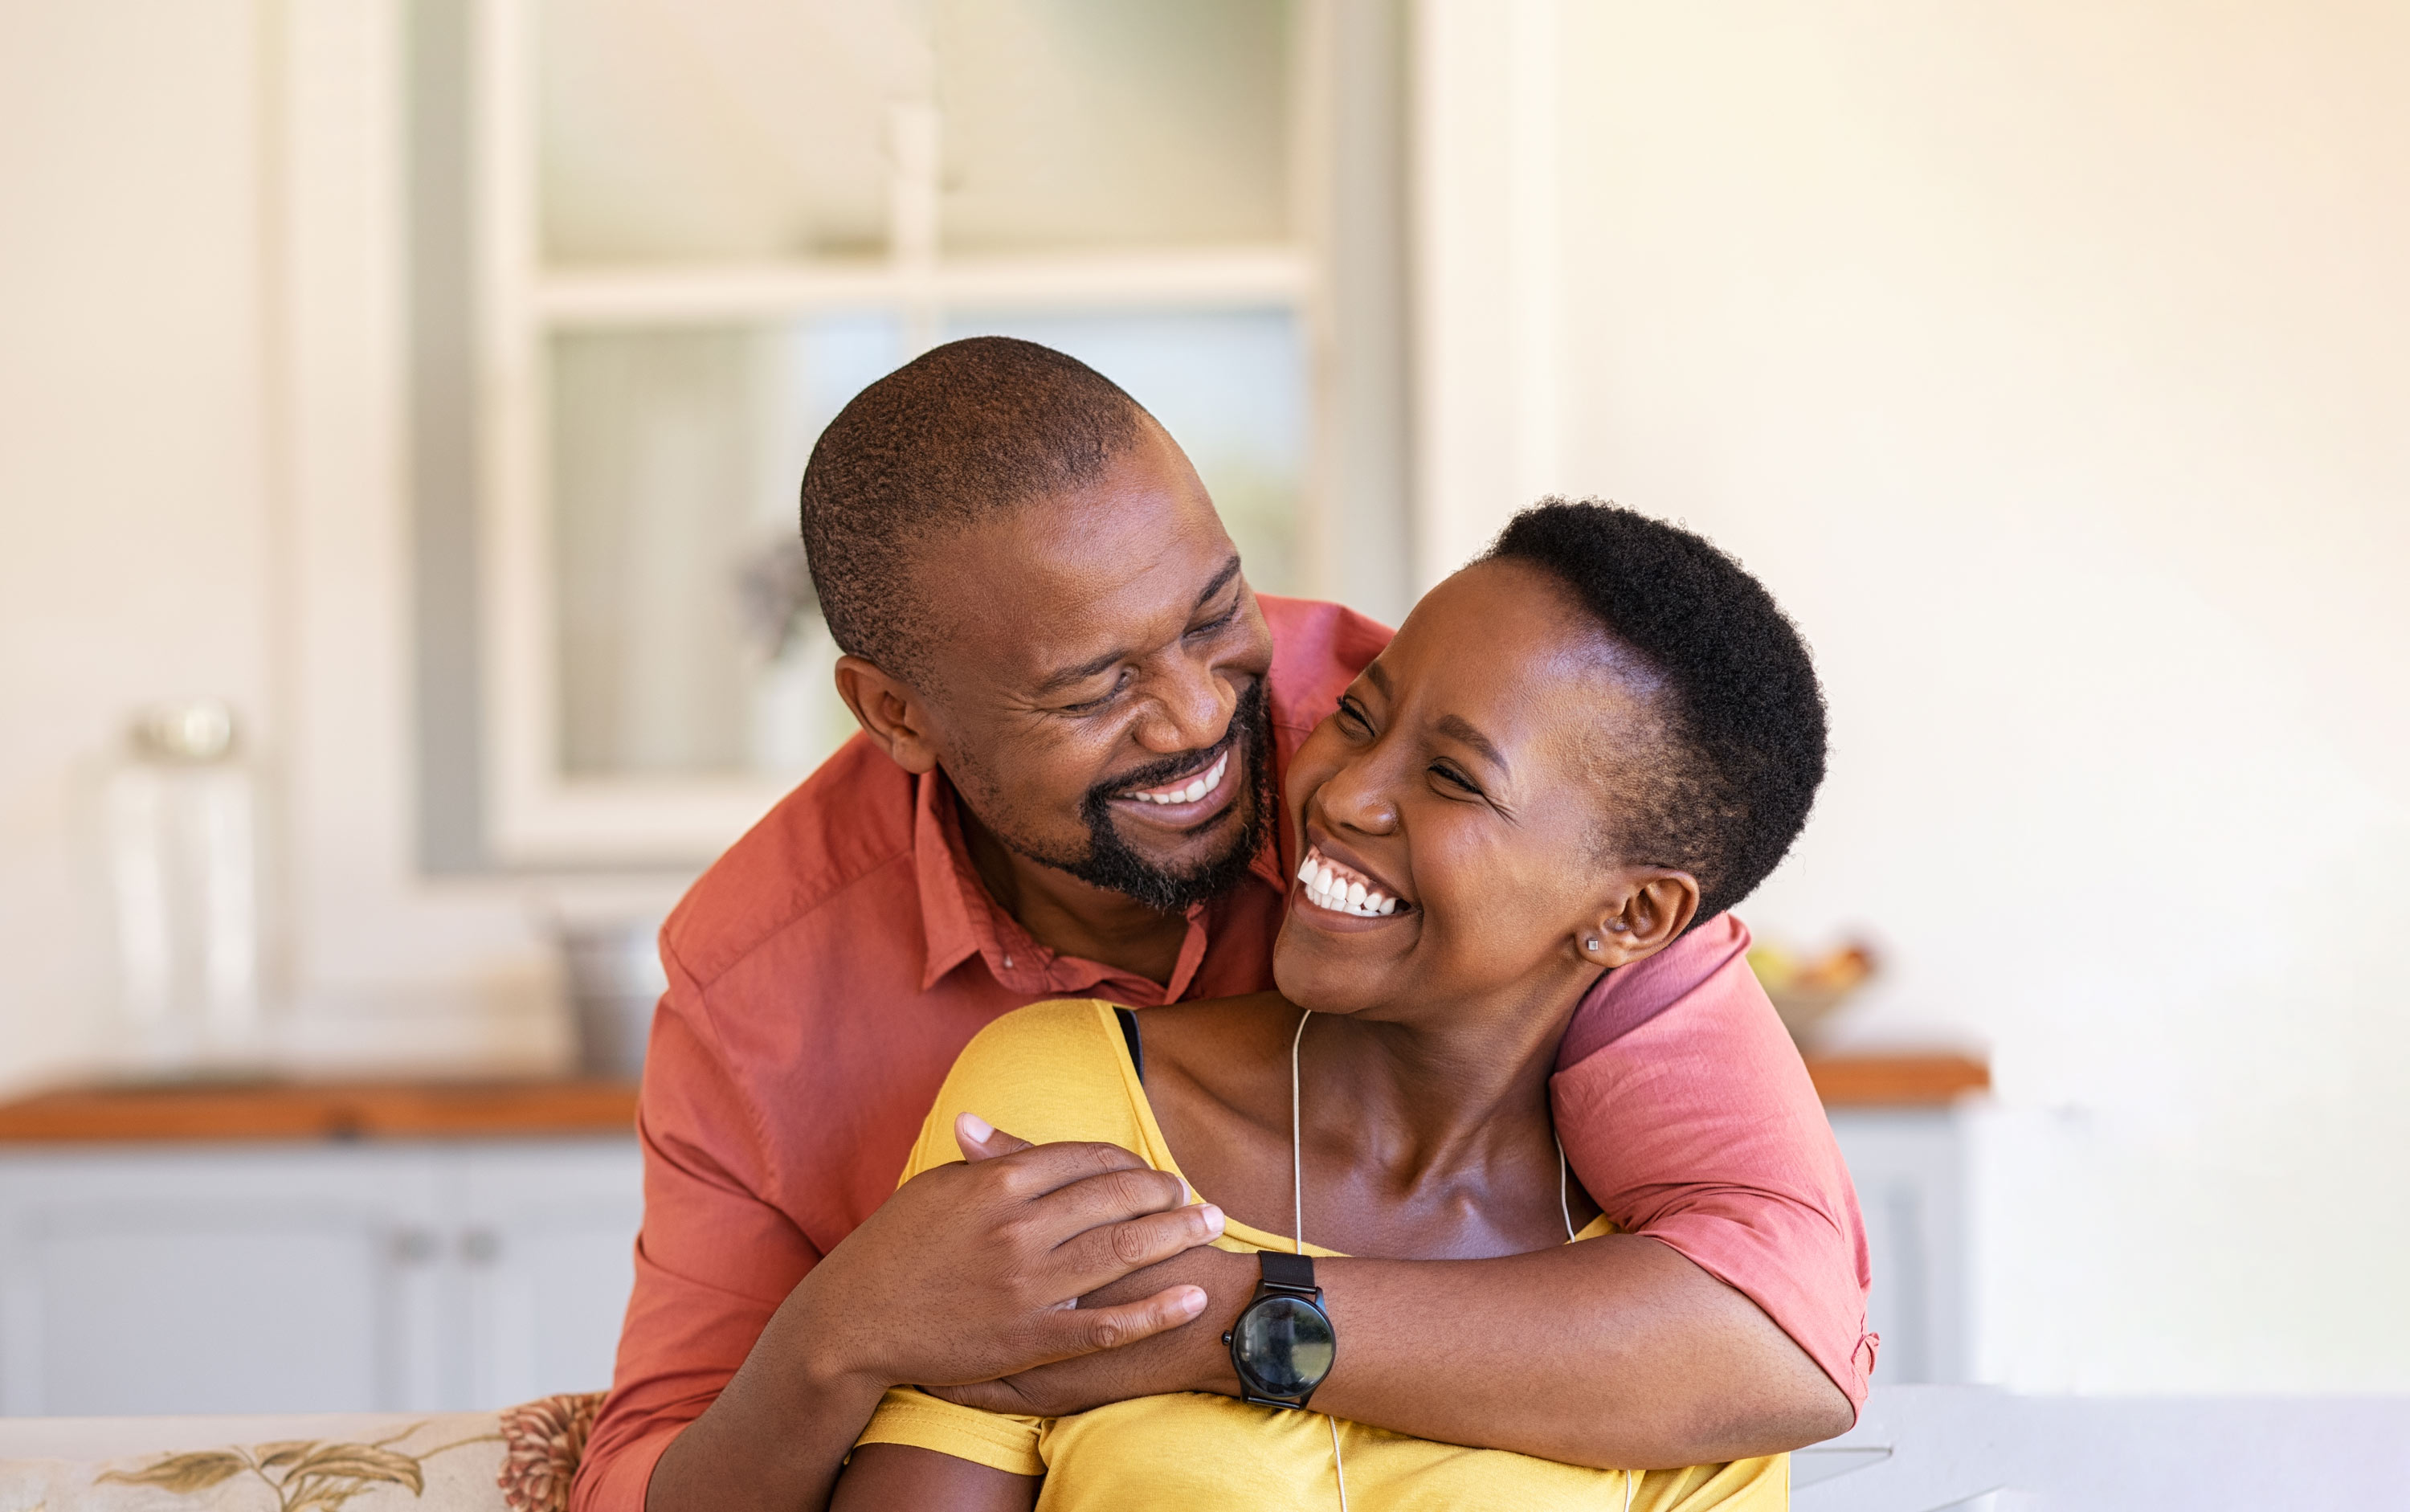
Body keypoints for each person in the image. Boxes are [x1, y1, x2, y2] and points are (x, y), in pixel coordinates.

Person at [574, 340, 1869, 1512]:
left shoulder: (1462, 771)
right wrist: (841, 1331)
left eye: (1213, 616)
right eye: (1097, 685)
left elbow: (1784, 1322)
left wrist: (1219, 1319)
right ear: (898, 717)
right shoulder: (761, 979)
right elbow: (654, 1477)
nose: (1200, 716)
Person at [832, 501, 1816, 1510]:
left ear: (1633, 914)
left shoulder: (1687, 1344)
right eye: (1359, 714)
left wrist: (1214, 1322)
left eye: (1452, 777)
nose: (1345, 795)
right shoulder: (1072, 1100)